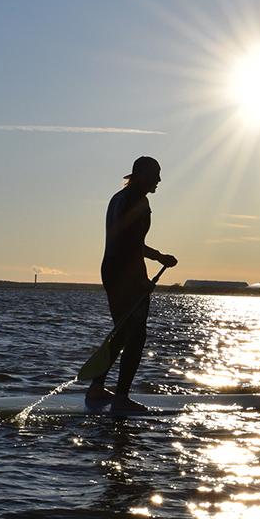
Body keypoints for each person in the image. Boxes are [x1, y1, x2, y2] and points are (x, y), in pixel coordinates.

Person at [86, 156, 178, 413]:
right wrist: (144, 276)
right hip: (125, 273)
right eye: (156, 174)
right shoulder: (136, 200)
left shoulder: (119, 197)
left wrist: (154, 260)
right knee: (136, 336)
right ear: (142, 175)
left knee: (122, 331)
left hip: (112, 270)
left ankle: (96, 387)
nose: (159, 180)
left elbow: (128, 242)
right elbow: (129, 244)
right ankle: (121, 397)